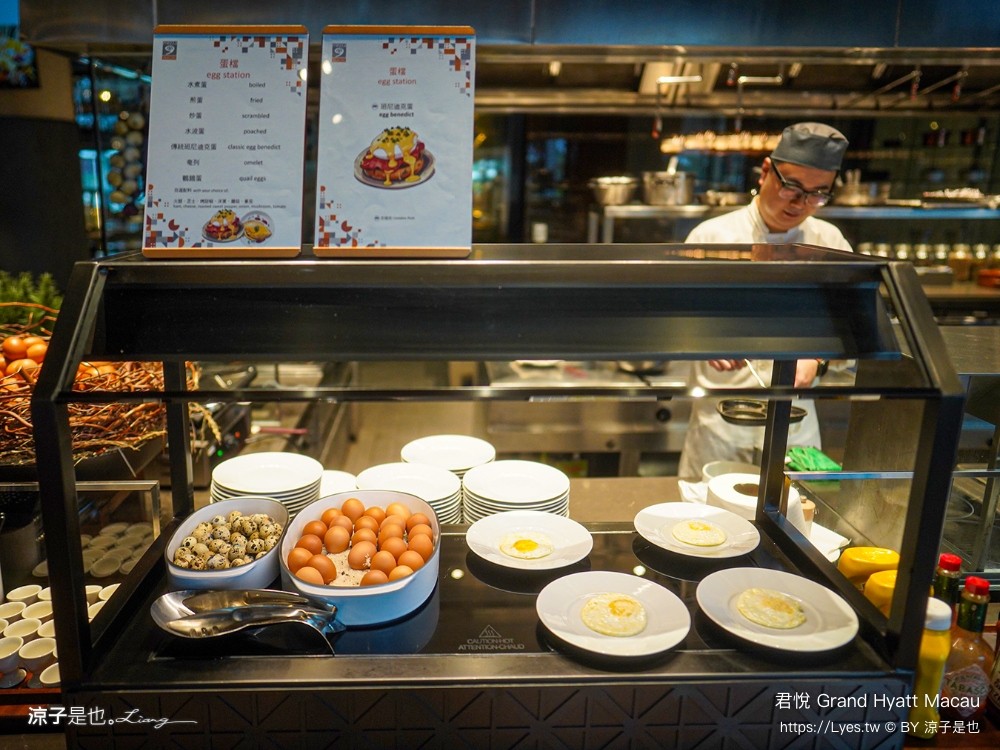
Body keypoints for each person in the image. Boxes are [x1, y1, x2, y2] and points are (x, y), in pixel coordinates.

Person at [677, 122, 853, 480]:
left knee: (793, 523)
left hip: (796, 425)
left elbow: (853, 324)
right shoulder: (712, 237)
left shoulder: (830, 243)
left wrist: (818, 358)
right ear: (767, 172)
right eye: (793, 187)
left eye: (818, 193)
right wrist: (700, 338)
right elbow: (675, 317)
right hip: (720, 426)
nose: (802, 203)